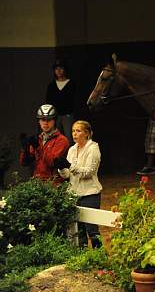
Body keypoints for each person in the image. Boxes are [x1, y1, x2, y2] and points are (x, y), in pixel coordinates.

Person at [55, 120, 103, 248]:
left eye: (78, 131)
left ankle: (100, 258)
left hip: (90, 194)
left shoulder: (93, 148)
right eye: (73, 131)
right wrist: (61, 168)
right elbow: (67, 175)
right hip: (74, 194)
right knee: (79, 231)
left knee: (91, 229)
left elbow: (89, 172)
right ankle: (82, 259)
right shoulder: (71, 149)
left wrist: (70, 166)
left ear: (86, 133)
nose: (74, 134)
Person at [19, 104, 69, 182]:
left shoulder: (62, 140)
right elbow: (24, 163)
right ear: (39, 121)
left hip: (54, 184)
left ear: (54, 121)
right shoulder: (38, 139)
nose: (45, 123)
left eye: (49, 119)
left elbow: (52, 162)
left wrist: (38, 148)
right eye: (43, 120)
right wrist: (24, 149)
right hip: (37, 183)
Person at [45, 59, 76, 143]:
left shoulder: (71, 84)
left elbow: (75, 100)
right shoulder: (51, 85)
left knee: (69, 139)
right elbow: (48, 102)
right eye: (56, 69)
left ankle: (69, 156)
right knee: (54, 139)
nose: (58, 71)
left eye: (61, 68)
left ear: (65, 69)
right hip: (55, 116)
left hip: (67, 115)